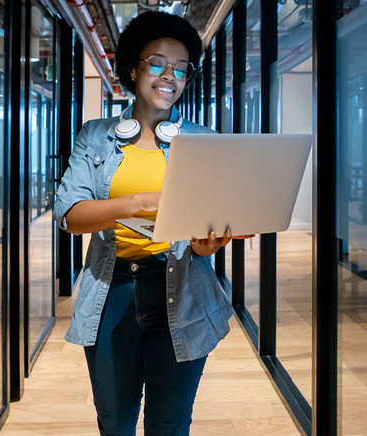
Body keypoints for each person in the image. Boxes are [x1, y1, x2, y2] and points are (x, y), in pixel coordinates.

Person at [53, 11, 235, 436]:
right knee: (115, 423)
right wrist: (136, 202)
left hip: (182, 289)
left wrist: (206, 245)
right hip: (110, 291)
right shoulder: (95, 136)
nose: (168, 75)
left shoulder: (203, 141)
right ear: (134, 68)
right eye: (157, 63)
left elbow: (209, 221)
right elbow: (69, 215)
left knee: (169, 426)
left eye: (180, 69)